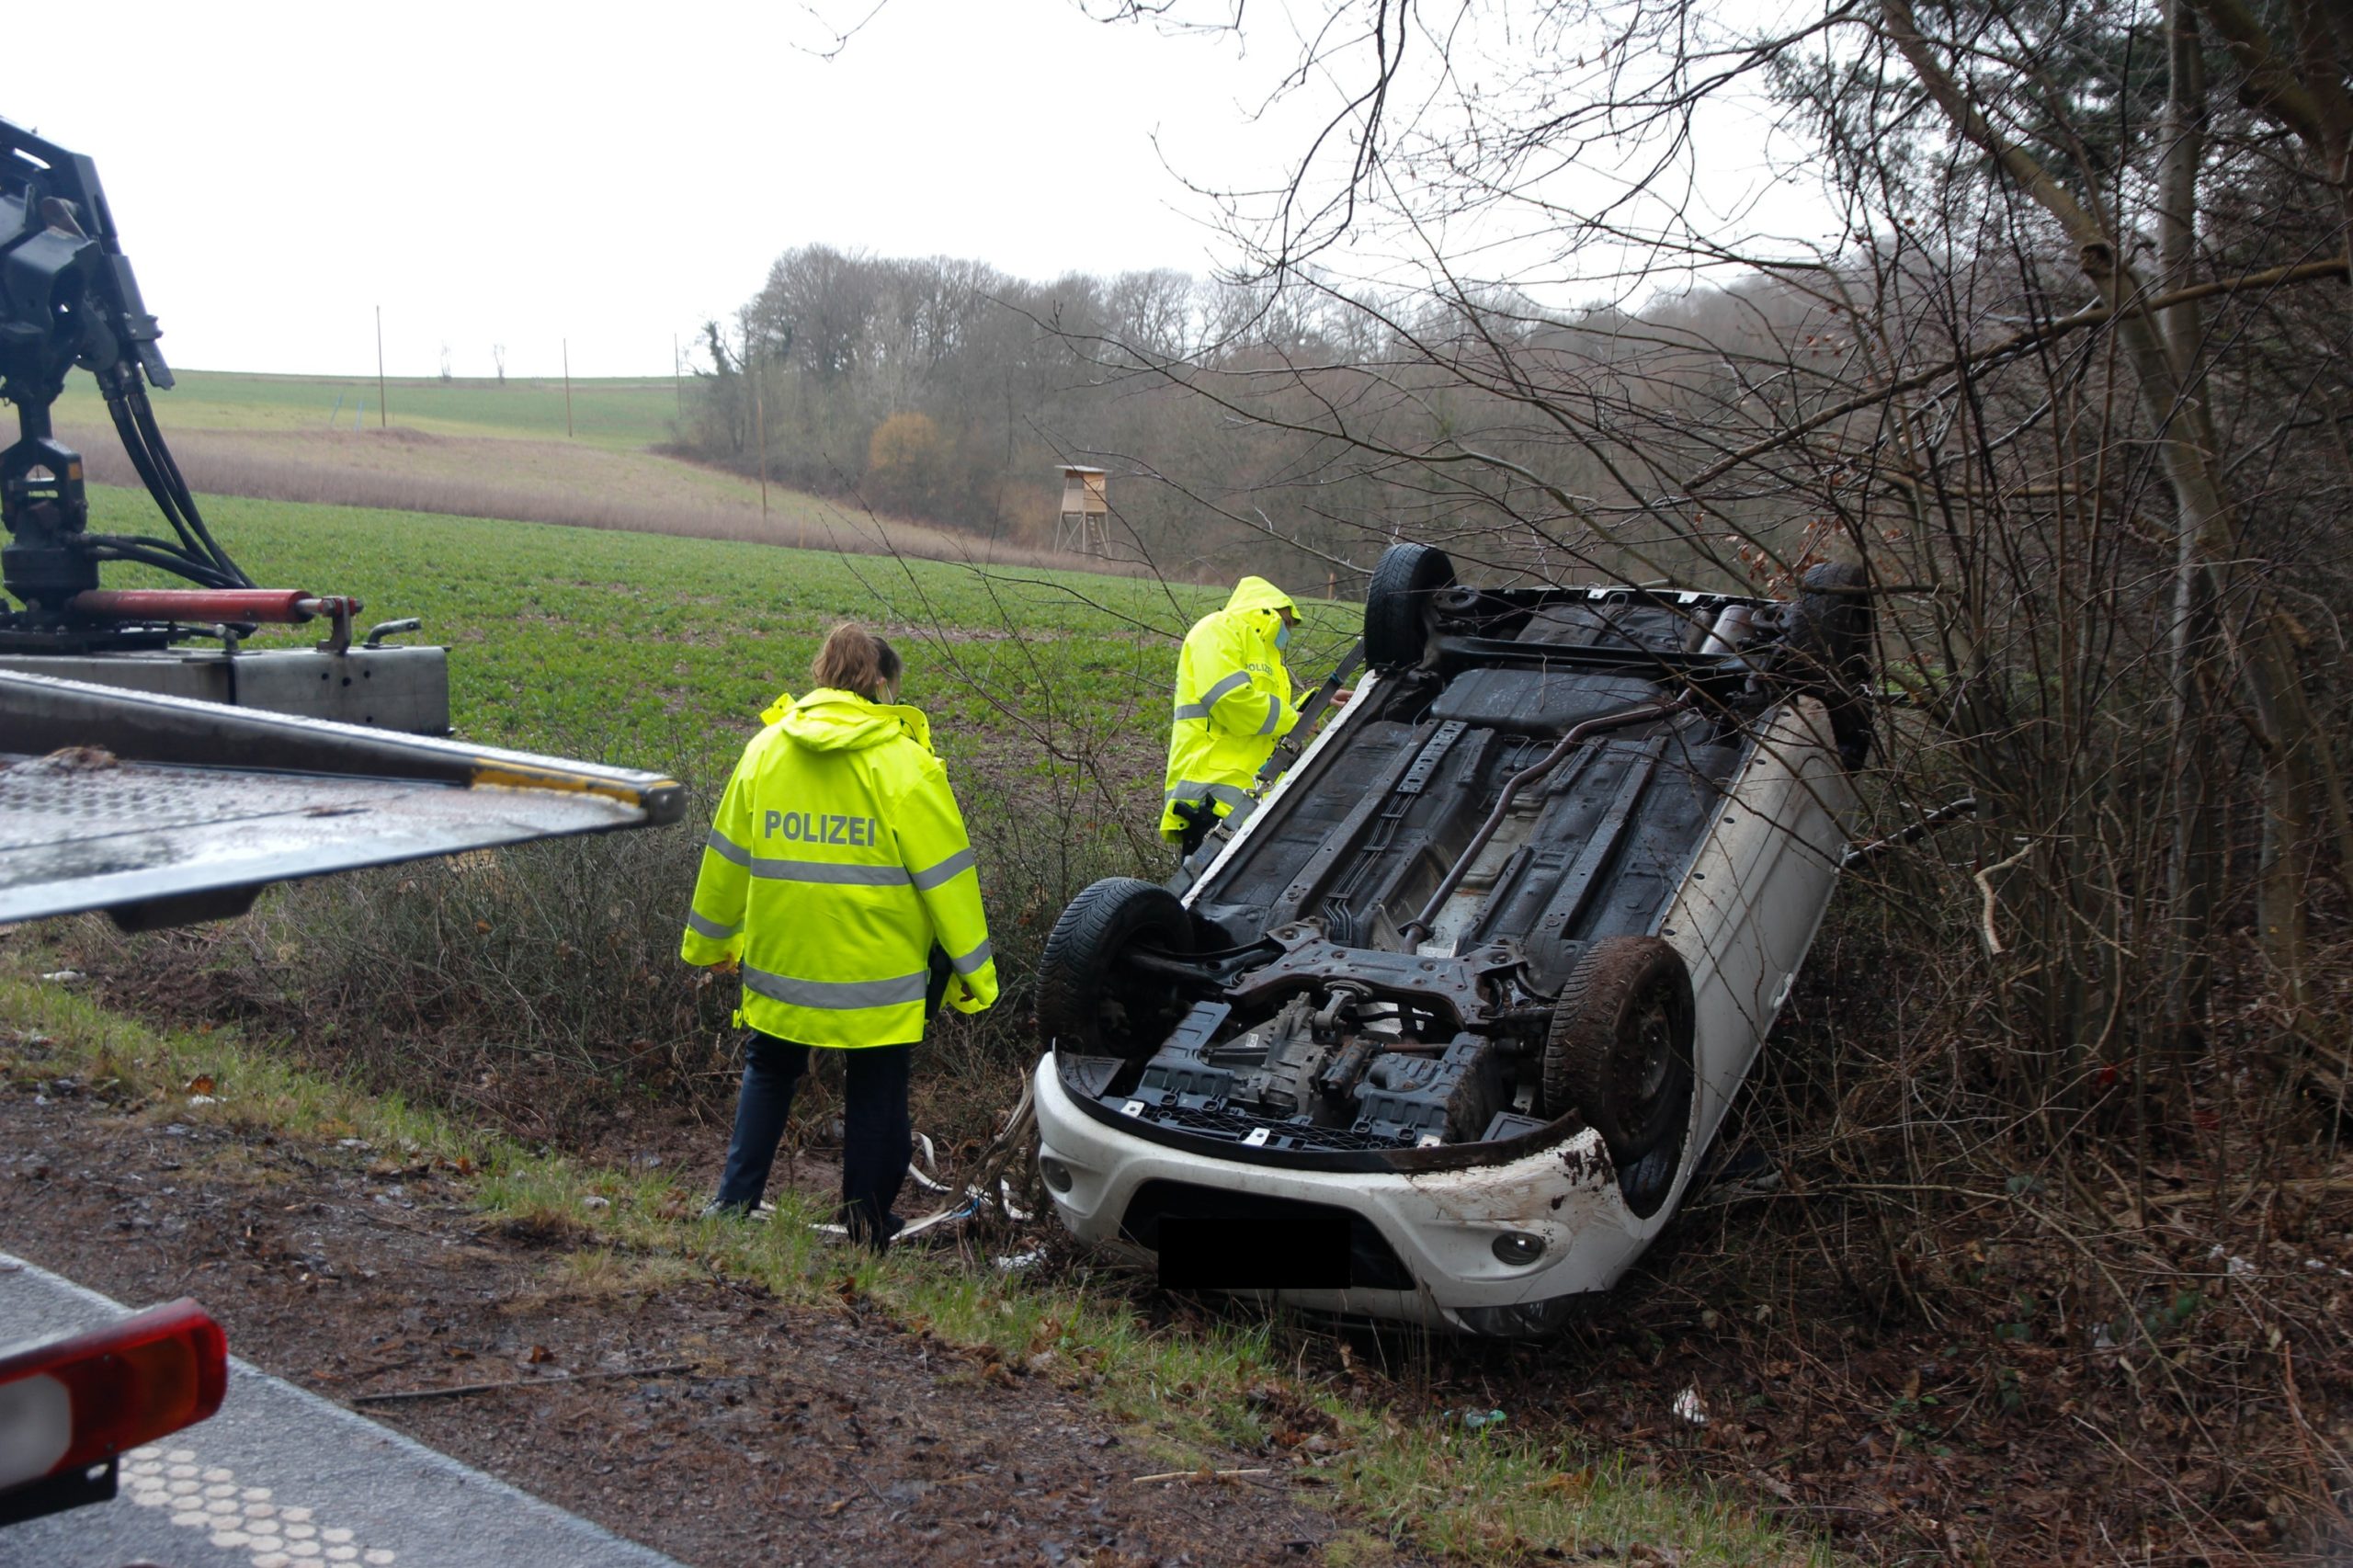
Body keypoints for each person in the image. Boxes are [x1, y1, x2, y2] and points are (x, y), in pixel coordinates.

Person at [680, 623, 996, 1246]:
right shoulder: (905, 764)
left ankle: (734, 1204)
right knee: (877, 1087)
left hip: (782, 966)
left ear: (820, 672)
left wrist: (709, 947)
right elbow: (949, 880)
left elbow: (724, 860)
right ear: (882, 681)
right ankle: (868, 1227)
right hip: (877, 980)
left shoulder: (766, 751)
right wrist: (973, 977)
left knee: (769, 1071)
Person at [1162, 576, 1311, 857]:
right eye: (1287, 624)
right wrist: (1293, 718)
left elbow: (1262, 721)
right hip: (1211, 800)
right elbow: (1230, 702)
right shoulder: (1218, 629)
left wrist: (1313, 705)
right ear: (1271, 611)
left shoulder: (1265, 655)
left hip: (1245, 802)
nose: (1287, 633)